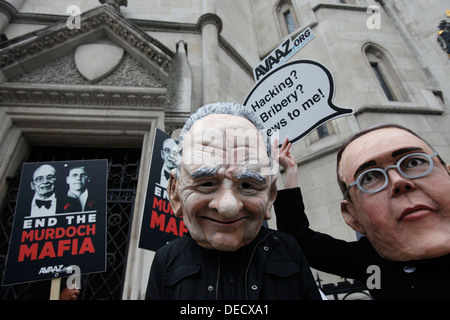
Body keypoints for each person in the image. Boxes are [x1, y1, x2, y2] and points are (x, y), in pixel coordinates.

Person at [145, 102, 321, 300]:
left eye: (247, 185)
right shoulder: (166, 260)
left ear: (270, 195)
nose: (227, 207)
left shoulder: (287, 249)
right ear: (175, 193)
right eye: (207, 183)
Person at [275, 124, 450, 299]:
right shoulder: (372, 265)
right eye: (369, 177)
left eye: (414, 162)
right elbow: (298, 238)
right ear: (352, 216)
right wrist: (289, 171)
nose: (399, 182)